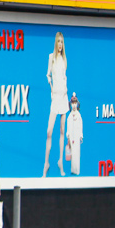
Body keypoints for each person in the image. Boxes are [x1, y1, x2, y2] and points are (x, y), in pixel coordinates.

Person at [43, 31, 68, 176]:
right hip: (55, 98)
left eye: (62, 42)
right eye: (59, 42)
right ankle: (46, 163)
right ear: (55, 43)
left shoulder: (64, 59)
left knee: (62, 131)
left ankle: (60, 162)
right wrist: (52, 89)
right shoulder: (51, 58)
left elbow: (64, 77)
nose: (60, 44)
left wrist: (65, 89)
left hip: (63, 96)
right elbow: (48, 75)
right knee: (49, 131)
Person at [65, 92, 83, 175]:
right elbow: (68, 127)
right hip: (71, 137)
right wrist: (68, 136)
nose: (74, 105)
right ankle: (73, 170)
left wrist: (80, 136)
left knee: (77, 153)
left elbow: (80, 126)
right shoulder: (69, 116)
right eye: (73, 103)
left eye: (75, 103)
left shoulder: (78, 115)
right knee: (72, 154)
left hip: (76, 137)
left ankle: (77, 170)